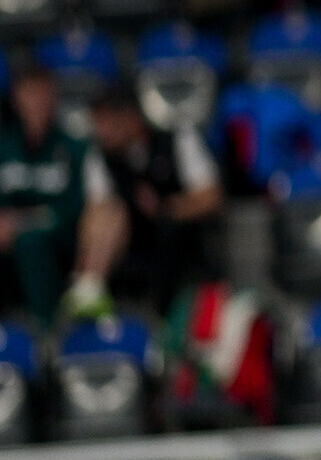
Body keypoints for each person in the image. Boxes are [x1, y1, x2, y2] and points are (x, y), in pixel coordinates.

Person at [0, 65, 122, 325]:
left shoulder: (76, 145)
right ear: (16, 98)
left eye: (43, 93)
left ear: (53, 96)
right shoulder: (5, 145)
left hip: (64, 234)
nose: (37, 102)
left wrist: (21, 222)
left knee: (31, 239)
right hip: (9, 233)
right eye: (29, 93)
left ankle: (46, 329)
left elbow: (84, 204)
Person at [88, 82, 224, 313]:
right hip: (130, 246)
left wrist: (166, 208)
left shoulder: (178, 140)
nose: (102, 133)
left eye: (107, 124)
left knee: (170, 233)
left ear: (130, 118)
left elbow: (212, 197)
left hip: (182, 243)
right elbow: (96, 212)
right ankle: (89, 290)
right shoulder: (100, 157)